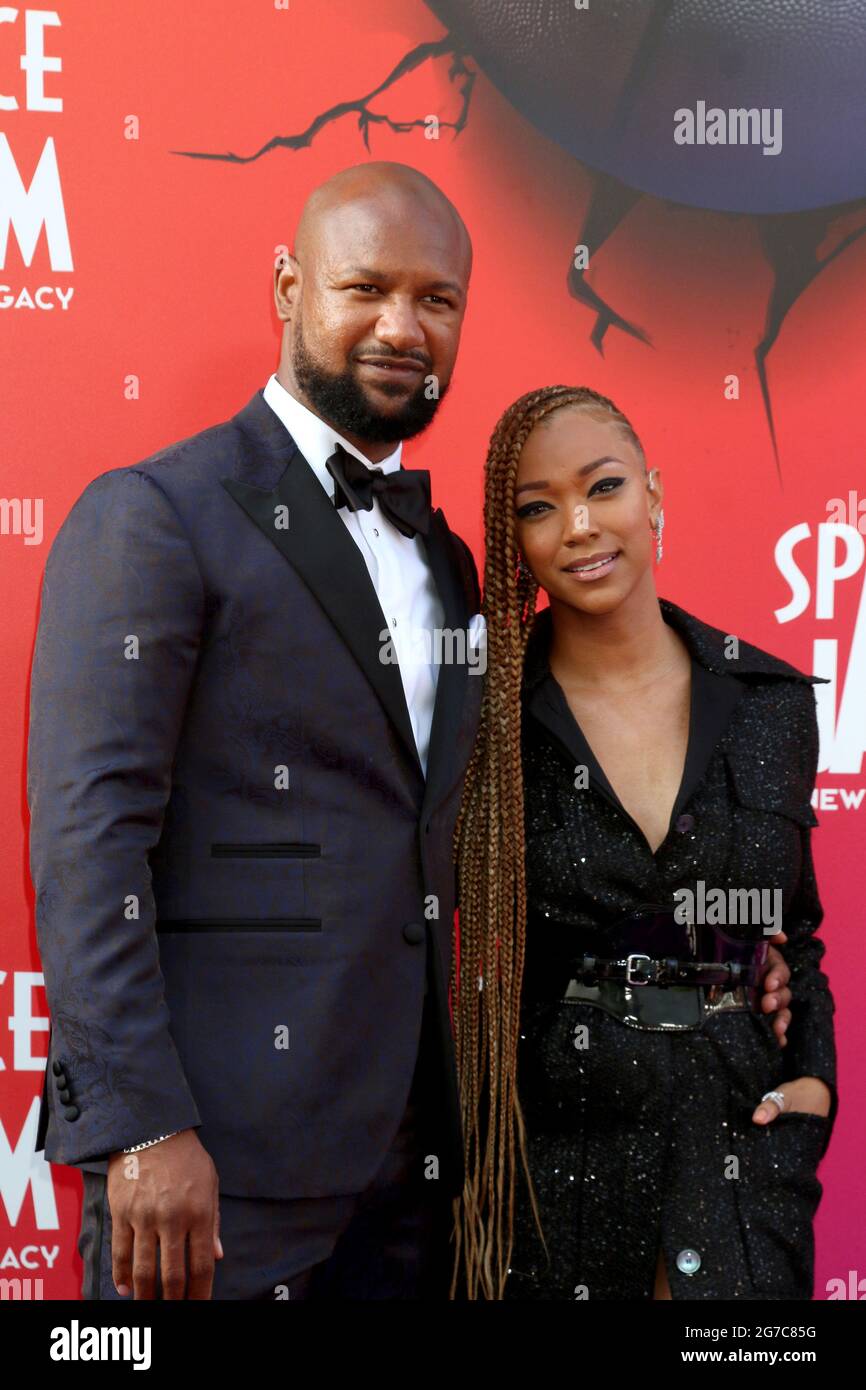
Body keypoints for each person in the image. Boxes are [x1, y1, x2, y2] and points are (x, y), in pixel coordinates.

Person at [27, 161, 486, 1300]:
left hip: (412, 1166)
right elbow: (90, 844)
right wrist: (141, 1129)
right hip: (212, 1169)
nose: (402, 326)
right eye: (364, 287)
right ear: (286, 287)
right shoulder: (156, 514)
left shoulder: (447, 562)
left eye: (437, 300)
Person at [450, 385, 837, 1301]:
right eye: (538, 508)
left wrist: (812, 1079)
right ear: (518, 544)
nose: (579, 526)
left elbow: (796, 934)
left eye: (605, 486)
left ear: (654, 496)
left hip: (742, 1166)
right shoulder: (483, 721)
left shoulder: (773, 705)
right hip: (550, 1179)